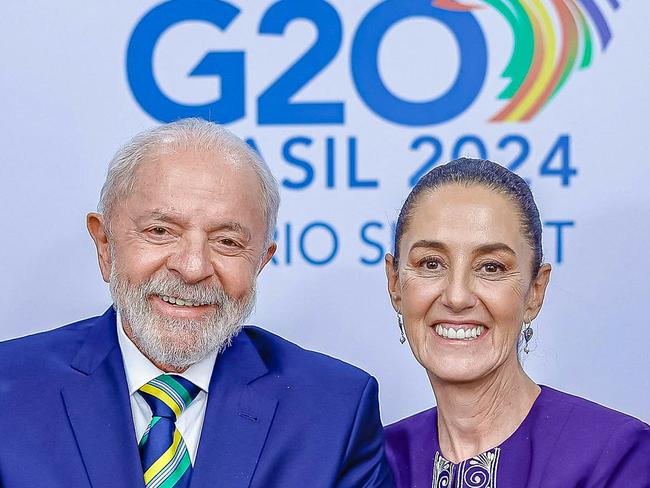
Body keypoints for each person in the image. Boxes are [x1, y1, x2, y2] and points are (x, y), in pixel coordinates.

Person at [0, 118, 393, 488]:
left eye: (227, 242)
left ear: (261, 261)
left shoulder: (334, 411)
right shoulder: (9, 391)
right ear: (105, 245)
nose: (192, 267)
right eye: (160, 231)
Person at [383, 158, 650, 487]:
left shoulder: (614, 455)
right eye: (431, 263)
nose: (457, 296)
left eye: (491, 267)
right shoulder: (377, 462)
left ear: (535, 292)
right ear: (395, 283)